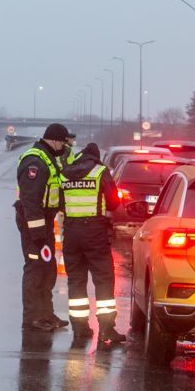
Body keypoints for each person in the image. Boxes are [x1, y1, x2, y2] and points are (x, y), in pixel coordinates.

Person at [60, 142, 124, 345]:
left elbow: (60, 202)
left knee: (76, 281)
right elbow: (114, 202)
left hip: (71, 232)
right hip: (95, 232)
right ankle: (106, 329)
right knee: (103, 279)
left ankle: (79, 329)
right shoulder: (100, 171)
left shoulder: (65, 173)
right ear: (96, 157)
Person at [15, 123, 70, 332]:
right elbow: (30, 201)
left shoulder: (48, 158)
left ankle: (46, 314)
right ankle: (31, 318)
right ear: (55, 140)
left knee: (48, 269)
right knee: (35, 269)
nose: (64, 146)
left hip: (44, 223)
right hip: (33, 224)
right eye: (63, 142)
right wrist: (37, 233)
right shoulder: (35, 161)